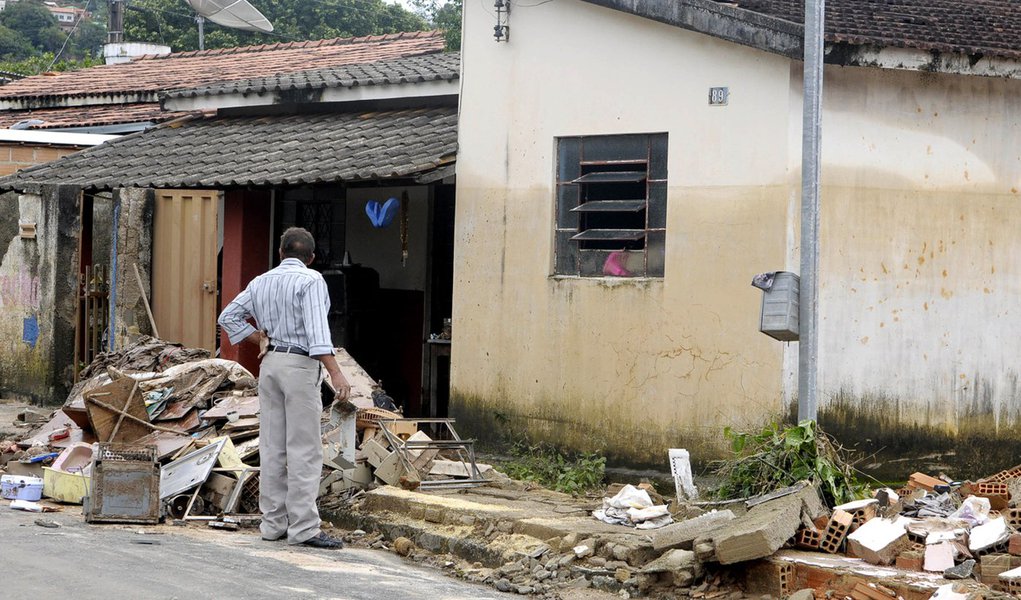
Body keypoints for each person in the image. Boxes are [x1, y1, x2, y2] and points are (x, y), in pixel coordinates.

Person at [218, 227, 351, 549]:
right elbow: (319, 334)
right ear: (312, 257)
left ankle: (272, 524)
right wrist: (337, 373)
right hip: (299, 367)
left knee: (272, 445)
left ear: (280, 253)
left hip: (271, 365)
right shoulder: (311, 280)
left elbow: (228, 317)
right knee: (304, 449)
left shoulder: (260, 282)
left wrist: (258, 338)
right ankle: (305, 529)